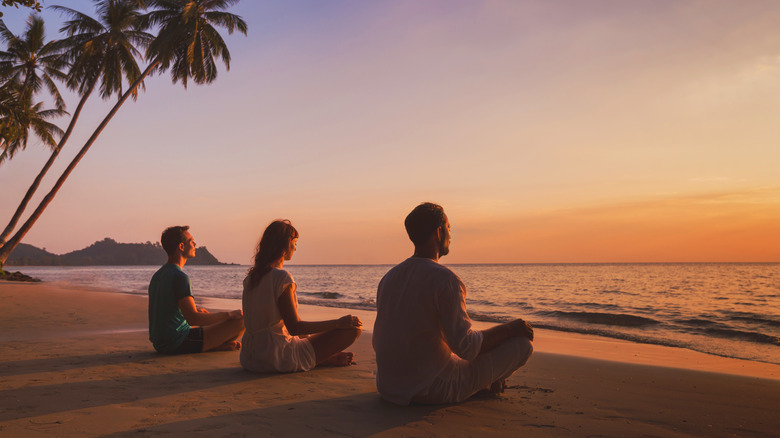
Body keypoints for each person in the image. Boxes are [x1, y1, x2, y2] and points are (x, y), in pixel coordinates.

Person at [373, 202, 534, 405]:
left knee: (459, 352)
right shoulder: (446, 279)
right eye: (449, 228)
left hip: (389, 386)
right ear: (439, 232)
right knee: (523, 345)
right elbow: (465, 347)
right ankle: (483, 385)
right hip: (431, 388)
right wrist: (510, 329)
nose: (451, 234)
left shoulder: (389, 277)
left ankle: (485, 383)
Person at [240, 219, 363, 373]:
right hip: (275, 358)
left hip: (250, 357)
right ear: (285, 244)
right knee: (353, 328)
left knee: (303, 340)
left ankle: (321, 357)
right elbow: (294, 328)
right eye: (295, 243)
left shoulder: (251, 278)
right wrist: (337, 323)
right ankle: (321, 359)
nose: (295, 248)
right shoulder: (281, 277)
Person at [148, 226, 245, 354]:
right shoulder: (180, 277)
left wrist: (196, 312)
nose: (195, 244)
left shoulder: (158, 275)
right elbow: (193, 319)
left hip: (160, 343)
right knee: (242, 320)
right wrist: (229, 315)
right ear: (181, 247)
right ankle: (214, 346)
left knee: (205, 316)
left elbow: (166, 310)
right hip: (176, 343)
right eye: (191, 241)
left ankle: (216, 345)